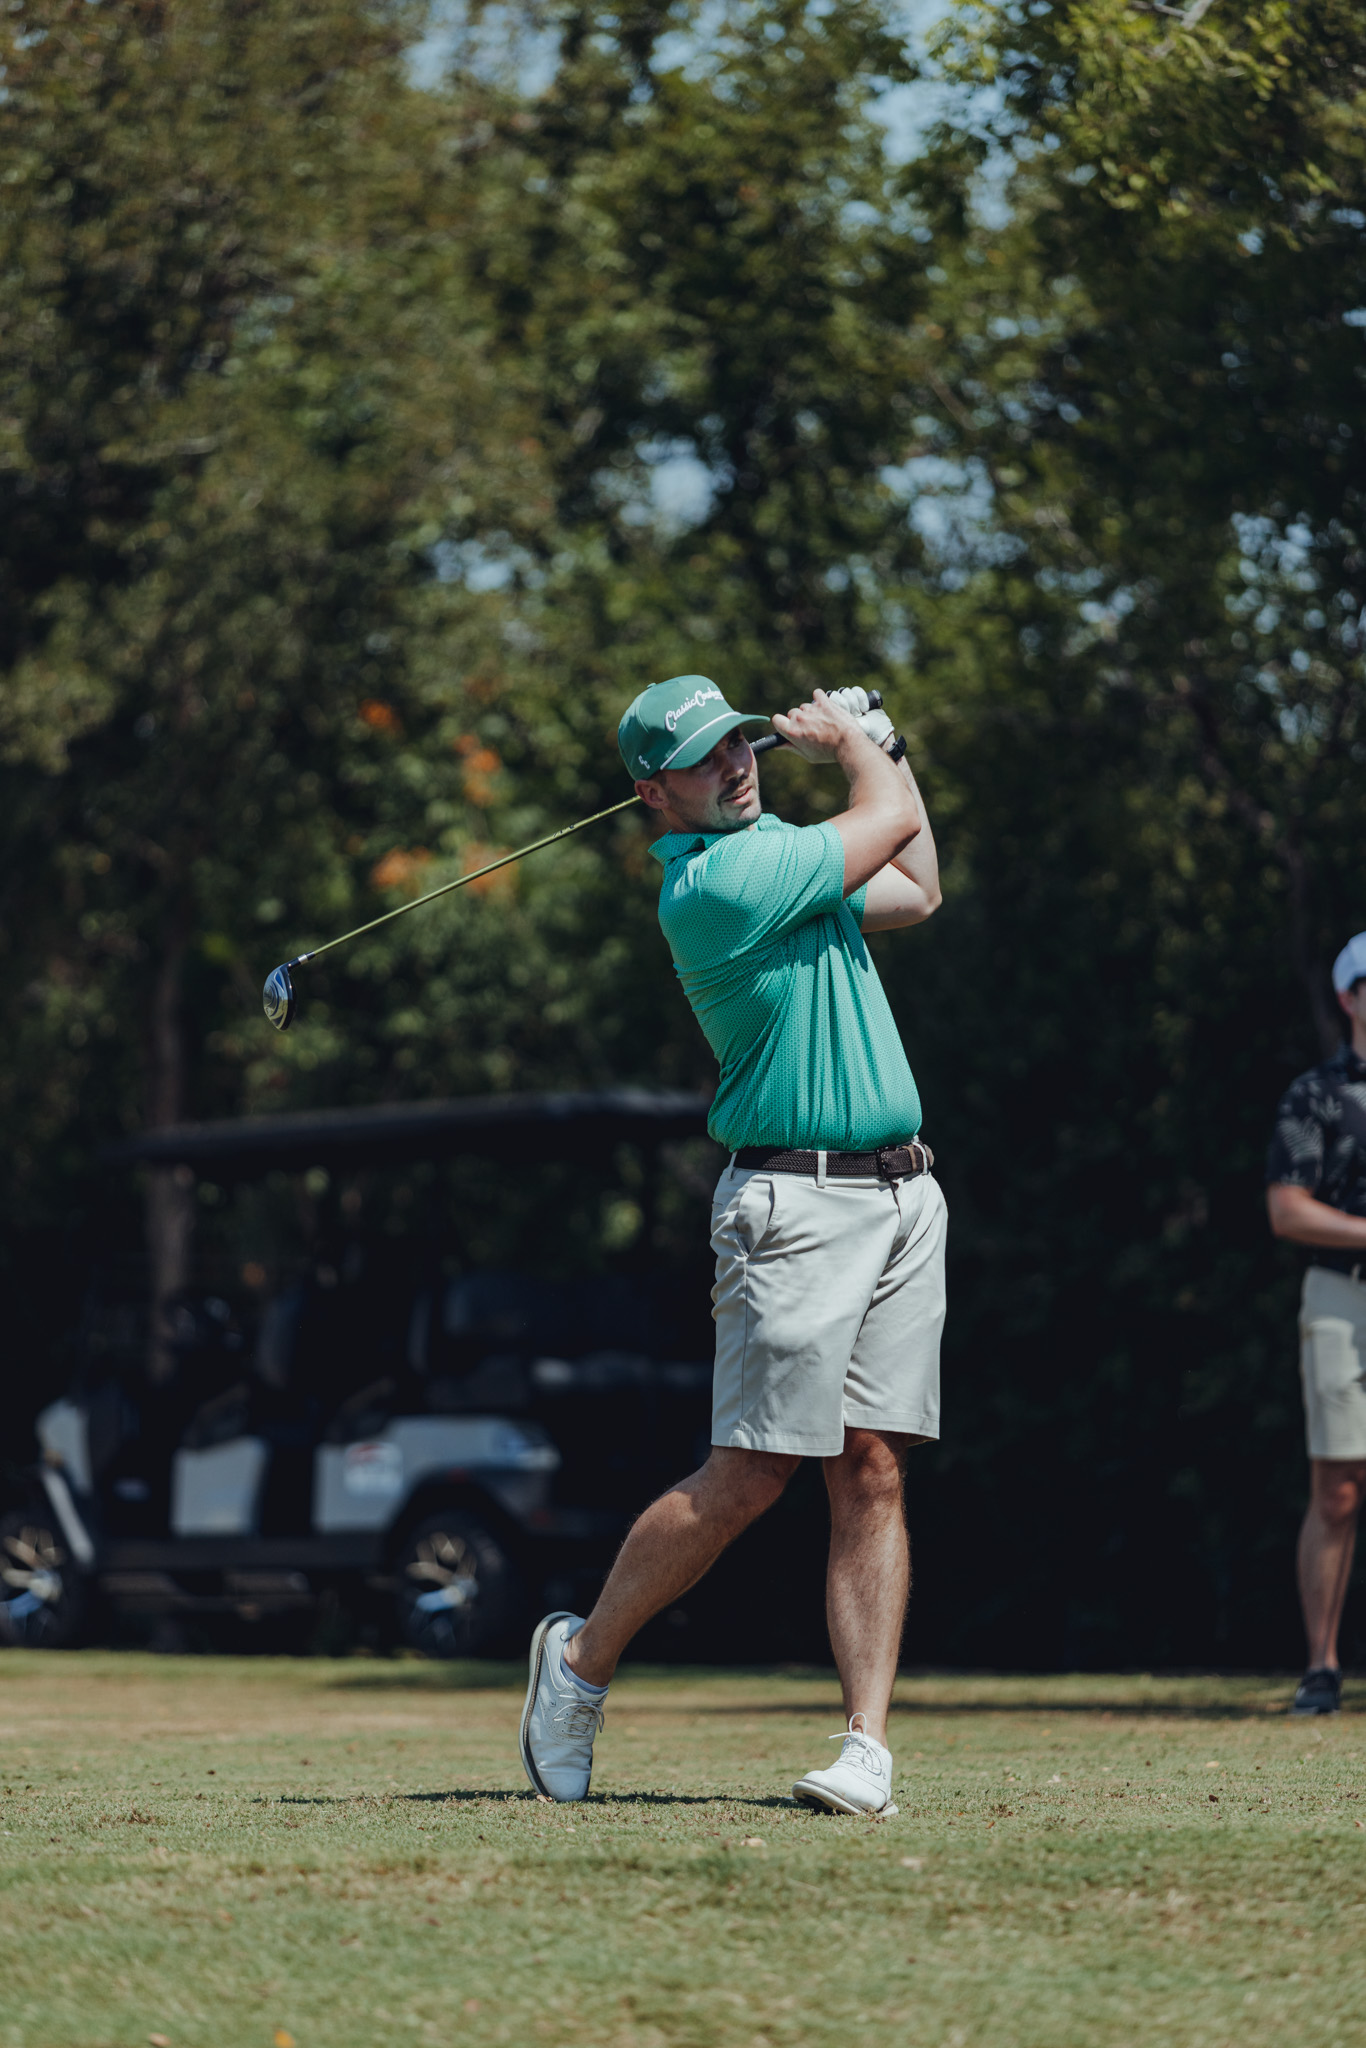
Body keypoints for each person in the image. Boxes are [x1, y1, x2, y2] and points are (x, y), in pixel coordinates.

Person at [520, 674, 944, 1814]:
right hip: (793, 1207)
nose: (738, 762)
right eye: (706, 757)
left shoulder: (787, 863)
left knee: (873, 1466)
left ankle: (865, 1747)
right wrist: (856, 739)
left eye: (741, 743)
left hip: (902, 1196)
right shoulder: (721, 884)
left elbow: (916, 886)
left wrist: (886, 745)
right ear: (654, 794)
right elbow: (886, 817)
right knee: (751, 1474)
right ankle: (579, 1664)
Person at [1266, 930, 1366, 1714]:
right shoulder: (1316, 1095)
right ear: (1348, 997)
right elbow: (1288, 1209)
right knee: (1337, 1487)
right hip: (1341, 1292)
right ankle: (1322, 1668)